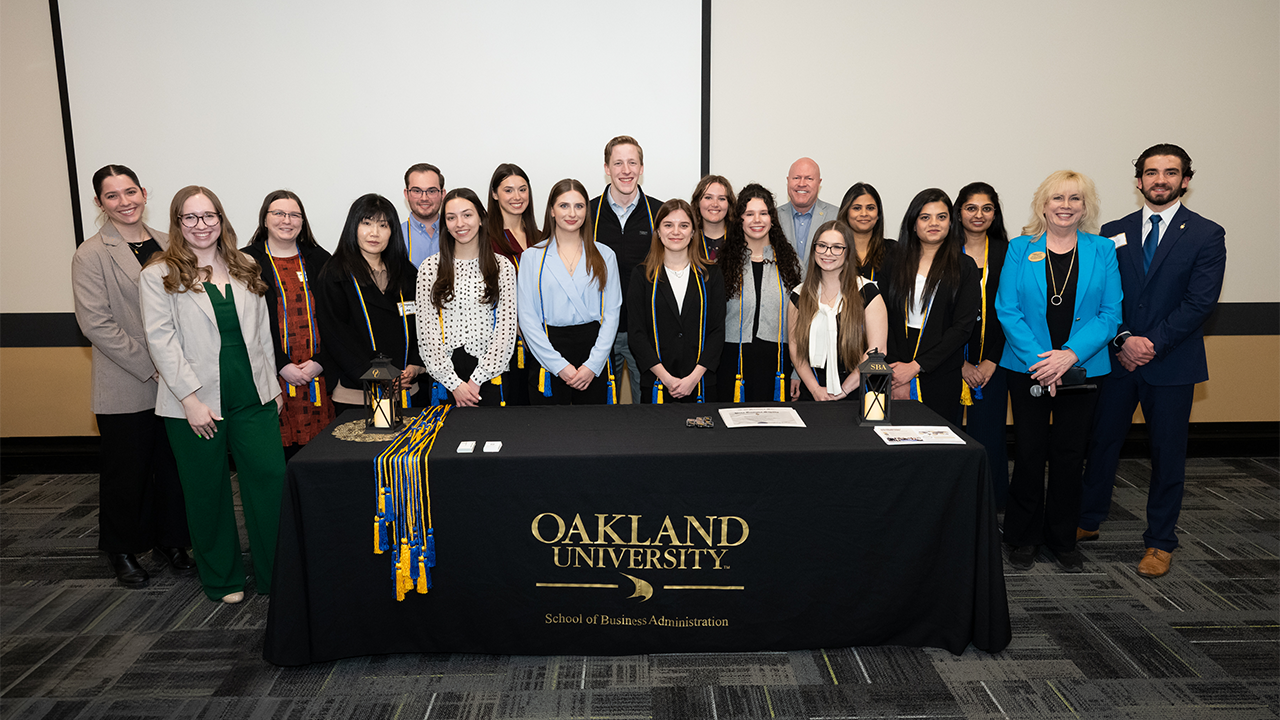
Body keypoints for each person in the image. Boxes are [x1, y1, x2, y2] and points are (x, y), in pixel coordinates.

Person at [1079, 144, 1227, 579]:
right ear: (1139, 180)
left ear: (1185, 180)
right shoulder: (1112, 230)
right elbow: (1103, 295)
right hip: (1117, 361)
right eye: (1151, 172)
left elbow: (1200, 302)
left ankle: (1160, 542)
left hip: (1171, 363)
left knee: (1167, 455)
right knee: (1101, 444)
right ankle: (1087, 520)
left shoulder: (1206, 233)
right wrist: (1125, 339)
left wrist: (1150, 344)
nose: (1160, 179)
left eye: (1170, 172)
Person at [139, 186, 286, 604]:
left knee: (271, 484)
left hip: (253, 394)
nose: (201, 226)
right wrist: (189, 400)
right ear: (177, 222)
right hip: (194, 402)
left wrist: (272, 387)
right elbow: (161, 342)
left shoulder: (245, 264)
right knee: (207, 491)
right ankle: (223, 579)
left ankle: (278, 575)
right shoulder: (159, 275)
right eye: (191, 218)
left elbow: (262, 333)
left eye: (209, 216)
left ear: (221, 219)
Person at [71, 164, 193, 588]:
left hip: (173, 380)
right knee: (128, 472)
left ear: (144, 192)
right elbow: (95, 324)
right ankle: (122, 549)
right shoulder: (91, 253)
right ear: (99, 202)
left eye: (130, 192)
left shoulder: (168, 242)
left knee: (173, 466)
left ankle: (171, 540)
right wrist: (152, 363)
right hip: (128, 381)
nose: (124, 202)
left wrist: (176, 364)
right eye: (112, 195)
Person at [996, 170, 1121, 573]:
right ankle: (1023, 536)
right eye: (1057, 198)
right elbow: (1008, 310)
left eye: (1075, 199)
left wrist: (1068, 356)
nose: (1066, 206)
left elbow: (1110, 314)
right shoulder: (1019, 248)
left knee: (1070, 455)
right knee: (1030, 453)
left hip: (1082, 370)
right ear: (1042, 204)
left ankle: (1062, 538)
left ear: (1086, 207)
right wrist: (1042, 363)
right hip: (1026, 368)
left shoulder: (1102, 250)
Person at [243, 190, 334, 459]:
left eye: (295, 215)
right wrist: (281, 365)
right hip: (270, 374)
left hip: (318, 375)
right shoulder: (245, 261)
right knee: (274, 459)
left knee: (318, 457)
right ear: (265, 219)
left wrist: (321, 361)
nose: (287, 220)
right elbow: (247, 323)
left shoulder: (319, 259)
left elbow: (336, 318)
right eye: (279, 213)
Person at [317, 194, 425, 414]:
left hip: (407, 391)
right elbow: (336, 335)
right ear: (353, 227)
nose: (374, 233)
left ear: (392, 231)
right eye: (366, 223)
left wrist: (415, 364)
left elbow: (422, 324)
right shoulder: (335, 274)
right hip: (358, 395)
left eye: (383, 225)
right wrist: (379, 377)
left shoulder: (407, 273)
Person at [882, 189, 981, 425]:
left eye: (941, 217)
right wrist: (899, 372)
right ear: (913, 223)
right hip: (895, 364)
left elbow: (962, 328)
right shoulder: (893, 262)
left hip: (942, 368)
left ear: (951, 223)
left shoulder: (965, 267)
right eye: (925, 217)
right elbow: (883, 317)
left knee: (938, 444)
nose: (933, 223)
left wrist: (916, 367)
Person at [518, 179, 622, 405]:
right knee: (549, 434)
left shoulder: (605, 255)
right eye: (564, 205)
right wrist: (559, 366)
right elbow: (527, 319)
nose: (572, 213)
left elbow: (612, 315)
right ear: (552, 211)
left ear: (587, 210)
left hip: (594, 354)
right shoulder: (532, 257)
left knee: (595, 433)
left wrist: (593, 365)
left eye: (579, 206)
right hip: (548, 353)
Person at [417, 188, 517, 407]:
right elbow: (427, 333)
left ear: (481, 218)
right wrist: (455, 384)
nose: (460, 223)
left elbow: (506, 331)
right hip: (445, 376)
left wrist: (477, 380)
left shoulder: (503, 267)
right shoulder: (429, 269)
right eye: (451, 218)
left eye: (467, 215)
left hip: (491, 374)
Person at [626, 199, 726, 403]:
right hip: (657, 384)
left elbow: (717, 331)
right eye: (668, 225)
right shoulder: (642, 275)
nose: (676, 232)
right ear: (658, 232)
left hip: (701, 385)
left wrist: (693, 378)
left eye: (684, 225)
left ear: (693, 233)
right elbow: (637, 334)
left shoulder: (711, 275)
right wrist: (667, 379)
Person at [589, 136, 664, 403]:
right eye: (618, 163)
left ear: (642, 168)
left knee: (646, 409)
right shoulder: (587, 213)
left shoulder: (659, 214)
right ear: (607, 168)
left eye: (632, 162)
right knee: (600, 409)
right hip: (598, 332)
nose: (626, 170)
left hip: (645, 331)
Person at [716, 184, 803, 403]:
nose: (757, 220)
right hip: (731, 361)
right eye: (749, 214)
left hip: (777, 363)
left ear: (772, 218)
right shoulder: (723, 264)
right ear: (739, 219)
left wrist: (797, 371)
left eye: (763, 213)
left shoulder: (791, 265)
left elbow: (803, 323)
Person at [954, 182, 1011, 508]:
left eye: (986, 208)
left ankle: (991, 506)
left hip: (995, 360)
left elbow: (1015, 311)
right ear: (959, 211)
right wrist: (959, 363)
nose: (979, 215)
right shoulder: (944, 252)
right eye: (971, 208)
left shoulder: (1008, 252)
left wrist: (991, 360)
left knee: (989, 436)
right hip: (949, 360)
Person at [788, 221, 888, 401]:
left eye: (837, 247)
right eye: (822, 246)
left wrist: (843, 390)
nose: (828, 253)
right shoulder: (799, 295)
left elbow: (878, 350)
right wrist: (815, 389)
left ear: (848, 252)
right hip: (811, 391)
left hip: (854, 392)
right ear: (814, 249)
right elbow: (795, 347)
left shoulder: (868, 292)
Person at [486, 163, 540, 405]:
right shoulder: (485, 240)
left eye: (522, 189)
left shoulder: (540, 237)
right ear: (495, 194)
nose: (517, 197)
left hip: (541, 339)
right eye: (508, 190)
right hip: (505, 343)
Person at [778, 157, 839, 273]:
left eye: (809, 178)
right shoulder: (772, 218)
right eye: (796, 178)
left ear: (819, 183)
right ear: (788, 181)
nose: (801, 184)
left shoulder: (837, 216)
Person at [837, 182, 893, 281]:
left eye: (870, 208)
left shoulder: (894, 251)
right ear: (846, 212)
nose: (864, 213)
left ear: (878, 214)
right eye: (857, 208)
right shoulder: (834, 251)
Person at [401, 163, 444, 268]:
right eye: (417, 191)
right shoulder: (394, 235)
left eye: (432, 191)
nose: (424, 198)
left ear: (442, 194)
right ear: (406, 194)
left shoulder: (457, 233)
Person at [690, 174, 737, 263]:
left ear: (729, 204)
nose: (715, 204)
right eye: (708, 198)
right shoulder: (688, 239)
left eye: (721, 199)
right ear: (698, 202)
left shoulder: (739, 238)